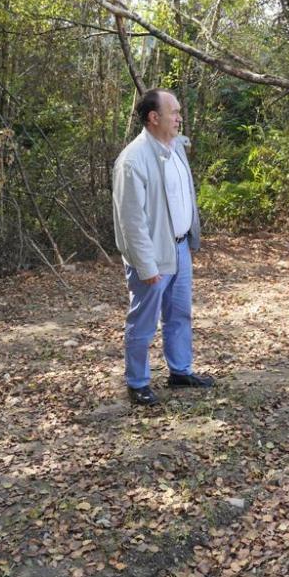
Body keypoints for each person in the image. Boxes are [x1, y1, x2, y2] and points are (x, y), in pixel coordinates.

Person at [112, 88, 214, 407]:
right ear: (154, 117)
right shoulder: (133, 160)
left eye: (179, 111)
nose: (179, 117)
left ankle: (180, 371)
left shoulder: (176, 149)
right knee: (144, 319)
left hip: (180, 250)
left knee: (179, 314)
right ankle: (138, 382)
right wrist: (146, 265)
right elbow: (131, 221)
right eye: (174, 112)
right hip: (154, 256)